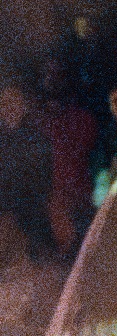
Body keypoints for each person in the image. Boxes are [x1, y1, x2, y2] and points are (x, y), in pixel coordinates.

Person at [38, 59, 98, 254]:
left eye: (56, 76)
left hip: (84, 197)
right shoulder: (43, 125)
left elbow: (92, 156)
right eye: (48, 76)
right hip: (60, 202)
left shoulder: (82, 119)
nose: (52, 82)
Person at [0, 82, 51, 255]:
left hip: (30, 218)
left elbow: (42, 183)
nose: (9, 108)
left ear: (23, 106)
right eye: (5, 103)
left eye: (14, 102)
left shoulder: (36, 138)